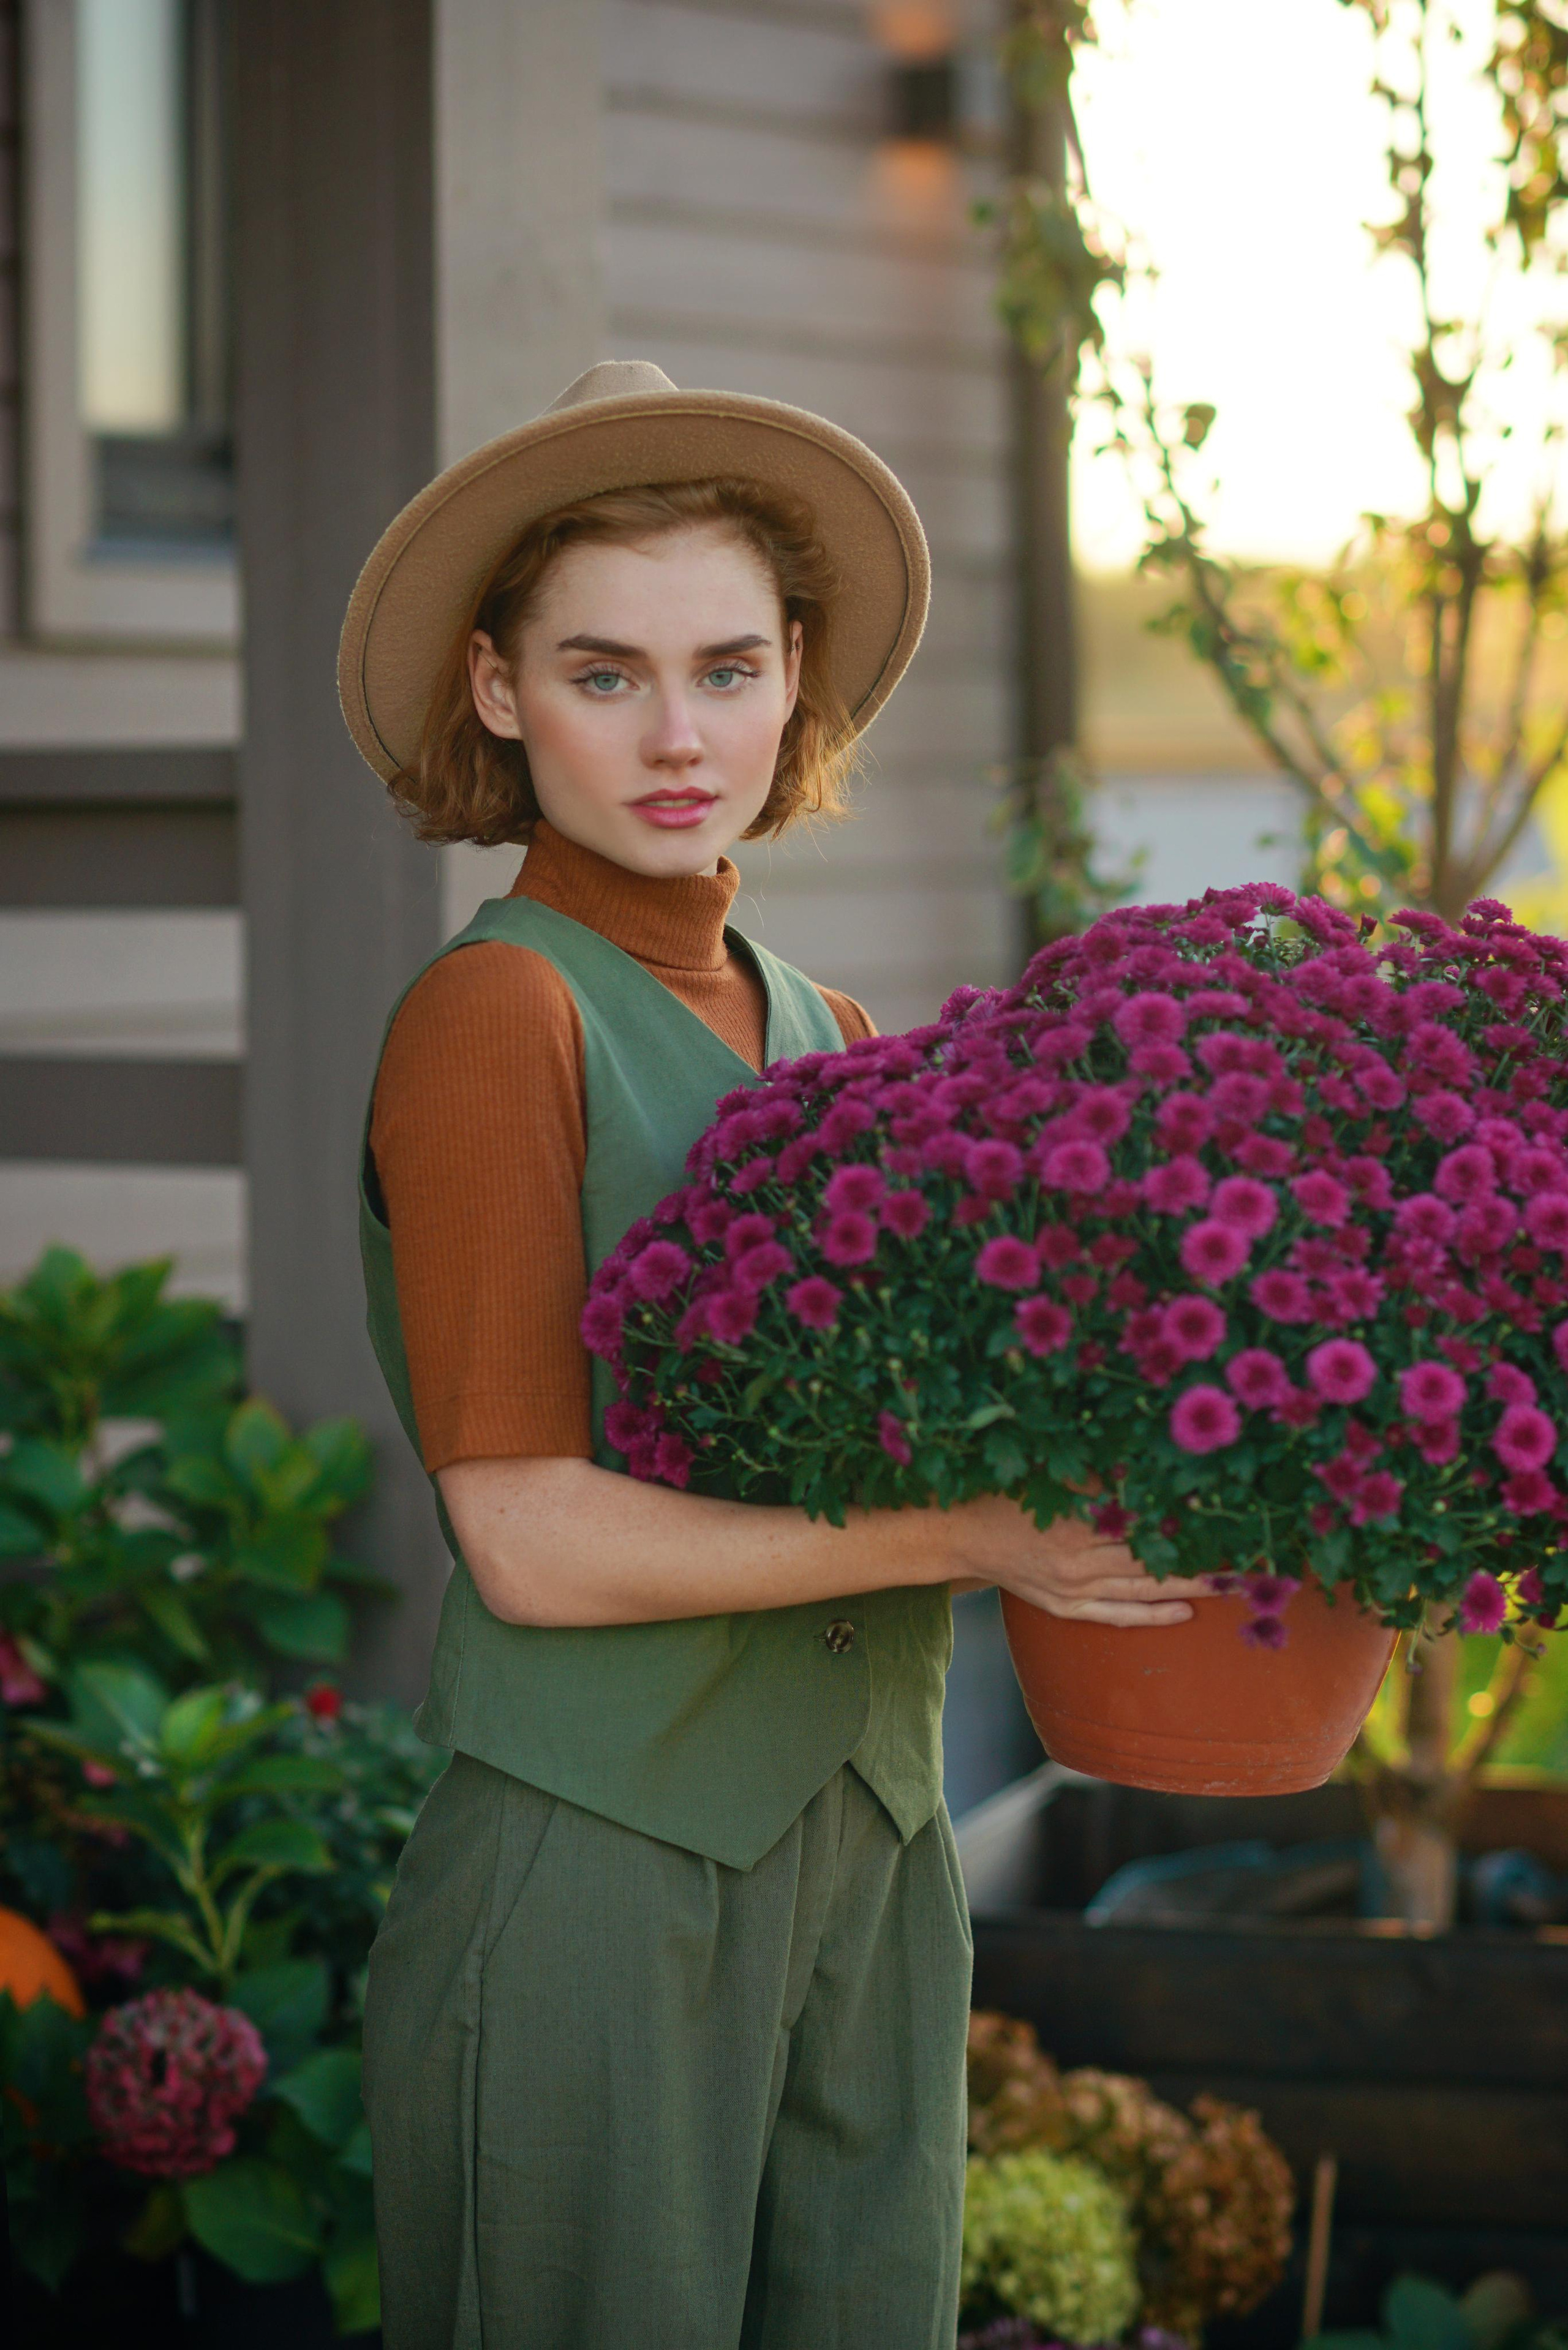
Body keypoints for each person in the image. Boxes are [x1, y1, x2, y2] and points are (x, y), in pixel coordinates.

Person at [341, 360, 1197, 2350]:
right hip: (600, 1876)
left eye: (728, 668)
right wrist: (972, 1537)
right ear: (496, 690)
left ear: (797, 677)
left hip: (874, 1857)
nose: (677, 735)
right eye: (604, 672)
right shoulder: (498, 1018)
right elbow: (531, 1546)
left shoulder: (837, 1028)